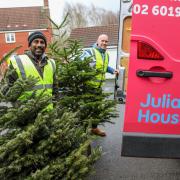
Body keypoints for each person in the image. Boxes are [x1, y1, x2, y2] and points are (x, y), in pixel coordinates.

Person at [5, 31, 57, 110]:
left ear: (45, 46)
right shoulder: (17, 62)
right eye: (35, 42)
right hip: (26, 115)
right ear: (30, 45)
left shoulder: (51, 63)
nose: (39, 45)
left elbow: (55, 90)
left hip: (48, 114)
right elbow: (8, 91)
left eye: (42, 42)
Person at [81, 34, 119, 136]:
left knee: (97, 109)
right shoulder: (90, 52)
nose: (104, 43)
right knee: (86, 109)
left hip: (98, 87)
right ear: (97, 41)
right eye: (102, 41)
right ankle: (83, 131)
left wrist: (112, 70)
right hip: (88, 86)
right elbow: (79, 62)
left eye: (106, 41)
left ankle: (94, 128)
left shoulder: (105, 54)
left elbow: (104, 66)